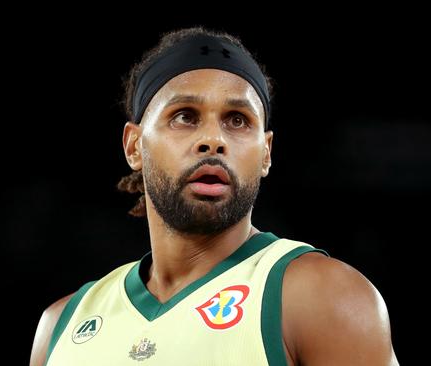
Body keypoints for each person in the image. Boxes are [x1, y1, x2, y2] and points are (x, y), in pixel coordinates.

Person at [30, 27, 398, 366]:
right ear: (134, 145)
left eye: (237, 119)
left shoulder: (325, 297)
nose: (214, 139)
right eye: (185, 116)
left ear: (266, 152)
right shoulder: (62, 325)